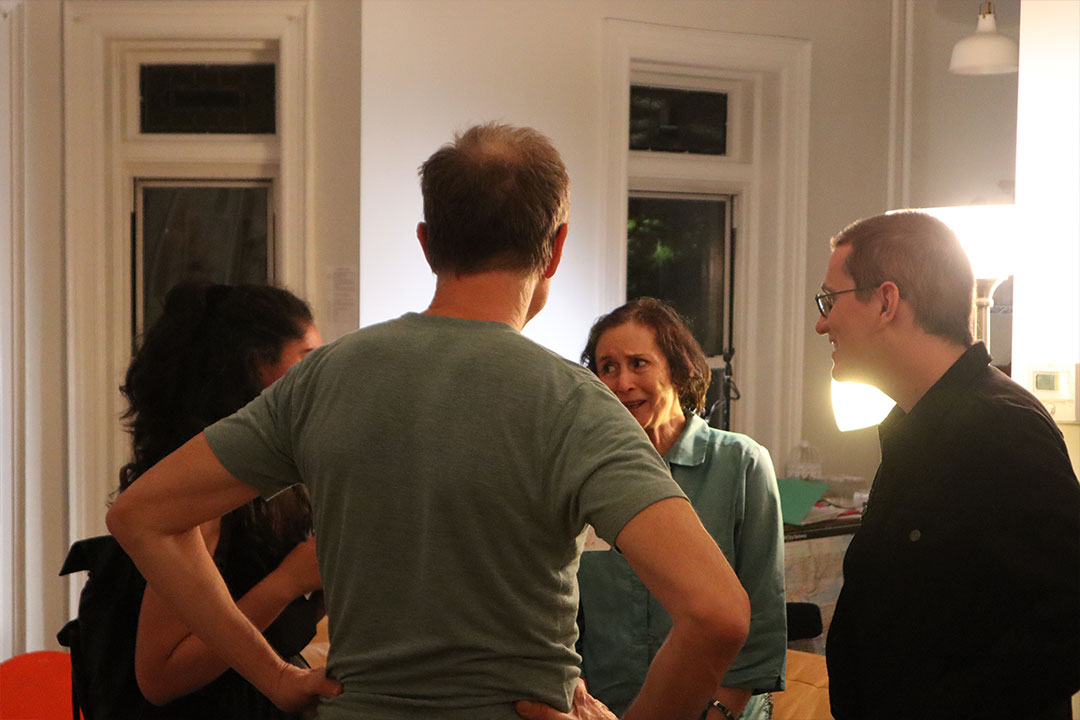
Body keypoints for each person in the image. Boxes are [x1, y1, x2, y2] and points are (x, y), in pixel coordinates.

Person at [105, 123, 751, 720]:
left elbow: (142, 516)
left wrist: (273, 676)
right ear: (555, 248)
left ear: (427, 242)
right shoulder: (576, 404)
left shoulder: (324, 378)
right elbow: (718, 613)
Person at [815, 211, 1080, 719]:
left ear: (887, 302)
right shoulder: (916, 426)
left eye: (830, 300)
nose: (822, 322)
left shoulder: (1000, 427)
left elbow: (1063, 625)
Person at [75, 281, 325, 719]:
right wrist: (288, 581)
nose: (318, 380)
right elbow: (160, 676)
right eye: (306, 360)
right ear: (254, 368)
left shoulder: (259, 485)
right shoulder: (203, 504)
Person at [576, 298, 786, 720]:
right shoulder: (584, 472)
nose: (622, 382)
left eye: (639, 363)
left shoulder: (741, 464)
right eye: (608, 367)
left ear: (677, 368)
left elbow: (762, 612)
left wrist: (719, 712)